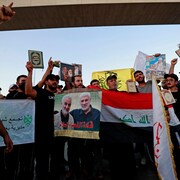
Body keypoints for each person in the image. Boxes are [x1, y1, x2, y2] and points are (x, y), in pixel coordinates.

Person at [25, 59, 59, 180]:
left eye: (56, 80)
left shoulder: (59, 96)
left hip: (57, 135)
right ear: (46, 81)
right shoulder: (41, 93)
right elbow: (28, 91)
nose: (55, 82)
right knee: (42, 164)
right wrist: (30, 72)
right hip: (42, 135)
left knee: (56, 162)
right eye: (52, 79)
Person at [100, 75, 137, 180]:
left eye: (115, 80)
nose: (113, 82)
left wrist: (132, 86)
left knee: (127, 155)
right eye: (111, 80)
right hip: (111, 132)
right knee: (114, 157)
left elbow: (134, 100)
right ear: (107, 83)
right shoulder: (103, 95)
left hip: (124, 130)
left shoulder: (123, 94)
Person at [68, 92, 101, 179]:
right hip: (77, 142)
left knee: (88, 162)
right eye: (82, 101)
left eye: (86, 100)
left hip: (91, 143)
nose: (84, 103)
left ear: (90, 100)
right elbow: (63, 117)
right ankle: (75, 173)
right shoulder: (74, 112)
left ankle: (91, 173)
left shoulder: (97, 113)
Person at [51, 94, 74, 179]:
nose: (67, 106)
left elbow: (72, 131)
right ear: (61, 104)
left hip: (66, 144)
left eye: (69, 104)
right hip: (55, 144)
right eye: (65, 104)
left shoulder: (71, 118)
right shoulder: (54, 117)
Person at [164, 73, 180, 179]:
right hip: (172, 126)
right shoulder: (164, 94)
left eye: (171, 80)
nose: (168, 81)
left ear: (176, 82)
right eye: (167, 80)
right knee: (176, 150)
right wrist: (166, 113)